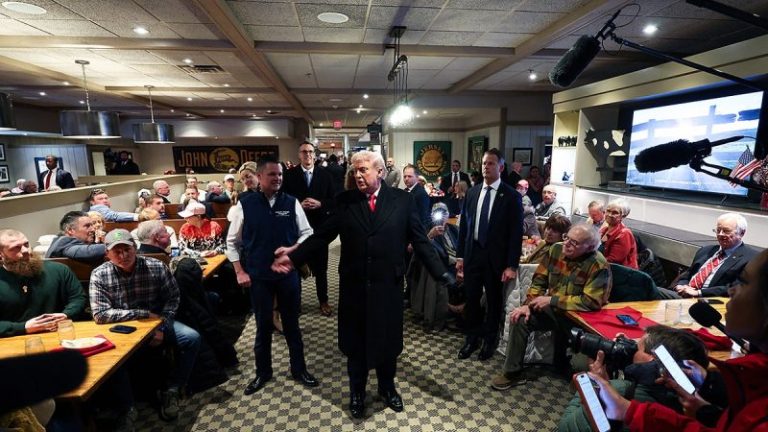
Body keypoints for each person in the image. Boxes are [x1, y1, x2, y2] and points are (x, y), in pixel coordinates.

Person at [271, 150, 453, 418]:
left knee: (387, 343)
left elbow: (420, 240)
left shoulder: (402, 200)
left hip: (388, 287)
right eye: (354, 170)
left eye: (363, 170)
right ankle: (357, 392)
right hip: (354, 287)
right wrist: (294, 255)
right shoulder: (345, 201)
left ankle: (387, 388)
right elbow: (322, 236)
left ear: (380, 172)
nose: (357, 175)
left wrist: (441, 273)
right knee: (356, 346)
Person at [588, 248, 768, 432]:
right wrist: (709, 404)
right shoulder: (753, 379)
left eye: (743, 282)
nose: (731, 290)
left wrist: (628, 411)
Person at [225, 157, 319, 396]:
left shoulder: (291, 202)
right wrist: (239, 271)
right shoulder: (244, 205)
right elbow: (232, 242)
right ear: (259, 177)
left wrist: (293, 250)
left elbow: (307, 233)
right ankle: (263, 372)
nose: (277, 178)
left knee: (292, 325)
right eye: (272, 174)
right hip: (259, 277)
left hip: (288, 275)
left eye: (280, 174)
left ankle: (299, 369)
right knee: (263, 327)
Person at [90, 229, 200, 421]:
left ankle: (172, 389)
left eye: (127, 249)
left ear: (136, 248)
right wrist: (142, 313)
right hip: (121, 328)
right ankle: (127, 407)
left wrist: (162, 326)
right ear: (107, 254)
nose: (123, 256)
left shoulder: (156, 266)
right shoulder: (99, 274)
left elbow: (173, 298)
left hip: (157, 322)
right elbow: (100, 314)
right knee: (111, 357)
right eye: (117, 251)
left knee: (192, 338)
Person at [491, 224, 610, 390]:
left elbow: (590, 302)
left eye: (574, 243)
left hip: (580, 319)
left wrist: (552, 300)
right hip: (555, 311)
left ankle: (578, 379)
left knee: (581, 374)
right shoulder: (556, 249)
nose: (567, 244)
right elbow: (539, 281)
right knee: (520, 318)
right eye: (567, 238)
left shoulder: (599, 265)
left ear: (589, 247)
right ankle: (512, 372)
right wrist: (528, 305)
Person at [558, 325, 710, 432]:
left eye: (636, 347)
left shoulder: (620, 393)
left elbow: (566, 427)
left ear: (652, 359)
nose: (631, 349)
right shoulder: (700, 406)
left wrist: (595, 386)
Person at [456, 148, 524, 361]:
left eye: (491, 163)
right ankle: (471, 338)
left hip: (496, 258)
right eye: (484, 163)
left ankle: (489, 340)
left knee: (494, 301)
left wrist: (511, 265)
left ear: (501, 167)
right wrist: (460, 257)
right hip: (473, 254)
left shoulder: (511, 196)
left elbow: (515, 234)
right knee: (472, 299)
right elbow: (464, 228)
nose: (486, 167)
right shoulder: (473, 192)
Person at [282, 142, 337, 317]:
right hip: (297, 229)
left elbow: (334, 200)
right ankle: (296, 303)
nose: (307, 155)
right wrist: (298, 205)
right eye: (304, 152)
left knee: (321, 269)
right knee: (297, 268)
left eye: (311, 152)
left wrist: (320, 203)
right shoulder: (289, 175)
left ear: (315, 154)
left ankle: (323, 301)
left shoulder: (325, 175)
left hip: (319, 229)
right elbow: (282, 199)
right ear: (299, 155)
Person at [0, 229, 85, 337]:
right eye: (16, 248)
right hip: (16, 339)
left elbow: (78, 298)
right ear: (1, 254)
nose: (26, 250)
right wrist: (24, 327)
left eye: (26, 244)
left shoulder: (59, 270)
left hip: (60, 334)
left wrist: (66, 314)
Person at [666, 212, 757, 299]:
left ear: (742, 233)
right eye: (718, 230)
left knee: (656, 291)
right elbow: (688, 274)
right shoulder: (706, 250)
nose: (720, 234)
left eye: (726, 231)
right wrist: (680, 286)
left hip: (709, 300)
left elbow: (736, 287)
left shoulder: (751, 258)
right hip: (682, 295)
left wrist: (699, 293)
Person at [600, 198, 638, 269]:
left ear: (623, 216)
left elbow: (613, 261)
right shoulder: (604, 230)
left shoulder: (624, 234)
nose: (610, 214)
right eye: (608, 211)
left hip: (618, 273)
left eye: (615, 213)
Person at [402, 164, 431, 229]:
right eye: (404, 176)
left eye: (409, 176)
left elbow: (423, 218)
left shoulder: (421, 194)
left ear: (417, 177)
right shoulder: (405, 191)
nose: (406, 179)